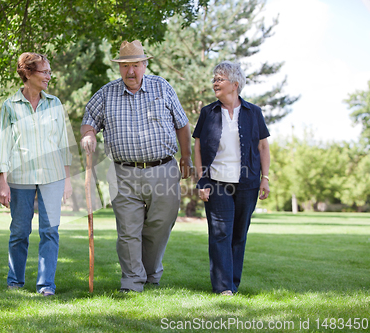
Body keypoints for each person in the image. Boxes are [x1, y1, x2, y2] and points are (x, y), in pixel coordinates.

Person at [80, 40, 192, 292]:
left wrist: (186, 157)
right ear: (119, 68)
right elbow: (89, 121)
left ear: (145, 65)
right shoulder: (106, 94)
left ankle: (151, 273)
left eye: (135, 65)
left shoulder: (162, 88)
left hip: (163, 169)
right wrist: (88, 135)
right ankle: (131, 281)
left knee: (160, 225)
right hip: (123, 172)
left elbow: (182, 124)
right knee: (129, 231)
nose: (130, 71)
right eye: (125, 66)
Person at [0, 52, 73, 296]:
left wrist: (68, 179)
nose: (49, 76)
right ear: (28, 73)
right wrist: (2, 182)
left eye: (49, 71)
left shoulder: (55, 103)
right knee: (19, 231)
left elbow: (64, 142)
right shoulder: (10, 106)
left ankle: (46, 284)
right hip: (20, 178)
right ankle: (15, 281)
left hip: (52, 176)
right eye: (44, 72)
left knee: (50, 231)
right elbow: (4, 144)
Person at [193, 61, 270, 296]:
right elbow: (197, 147)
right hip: (216, 181)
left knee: (239, 235)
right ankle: (223, 287)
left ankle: (233, 284)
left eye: (220, 79)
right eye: (214, 78)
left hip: (247, 183)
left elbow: (263, 147)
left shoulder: (253, 112)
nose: (215, 82)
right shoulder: (208, 112)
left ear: (235, 84)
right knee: (220, 234)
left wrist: (265, 178)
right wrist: (201, 180)